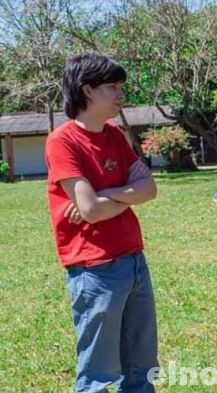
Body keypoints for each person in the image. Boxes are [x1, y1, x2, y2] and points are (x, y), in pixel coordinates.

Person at [45, 53, 159, 392]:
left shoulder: (114, 136)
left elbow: (149, 189)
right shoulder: (62, 141)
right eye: (113, 87)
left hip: (135, 262)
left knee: (142, 370)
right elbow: (91, 210)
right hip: (95, 271)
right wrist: (124, 194)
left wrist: (105, 192)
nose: (121, 95)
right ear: (88, 90)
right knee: (97, 376)